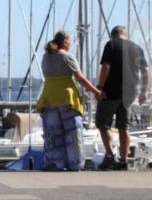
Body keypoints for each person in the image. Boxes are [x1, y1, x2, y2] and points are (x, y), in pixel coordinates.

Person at [34, 31, 103, 171]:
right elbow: (81, 79)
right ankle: (75, 164)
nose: (71, 44)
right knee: (73, 133)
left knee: (52, 133)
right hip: (67, 98)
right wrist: (96, 91)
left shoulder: (46, 57)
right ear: (65, 42)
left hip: (49, 98)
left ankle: (54, 163)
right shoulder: (67, 57)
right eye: (70, 41)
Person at [95, 26, 150, 170]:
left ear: (112, 35)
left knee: (103, 124)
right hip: (129, 94)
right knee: (123, 127)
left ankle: (110, 156)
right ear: (126, 35)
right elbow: (145, 70)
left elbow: (106, 66)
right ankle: (124, 160)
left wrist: (100, 87)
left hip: (110, 92)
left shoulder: (111, 44)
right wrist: (144, 91)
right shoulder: (137, 48)